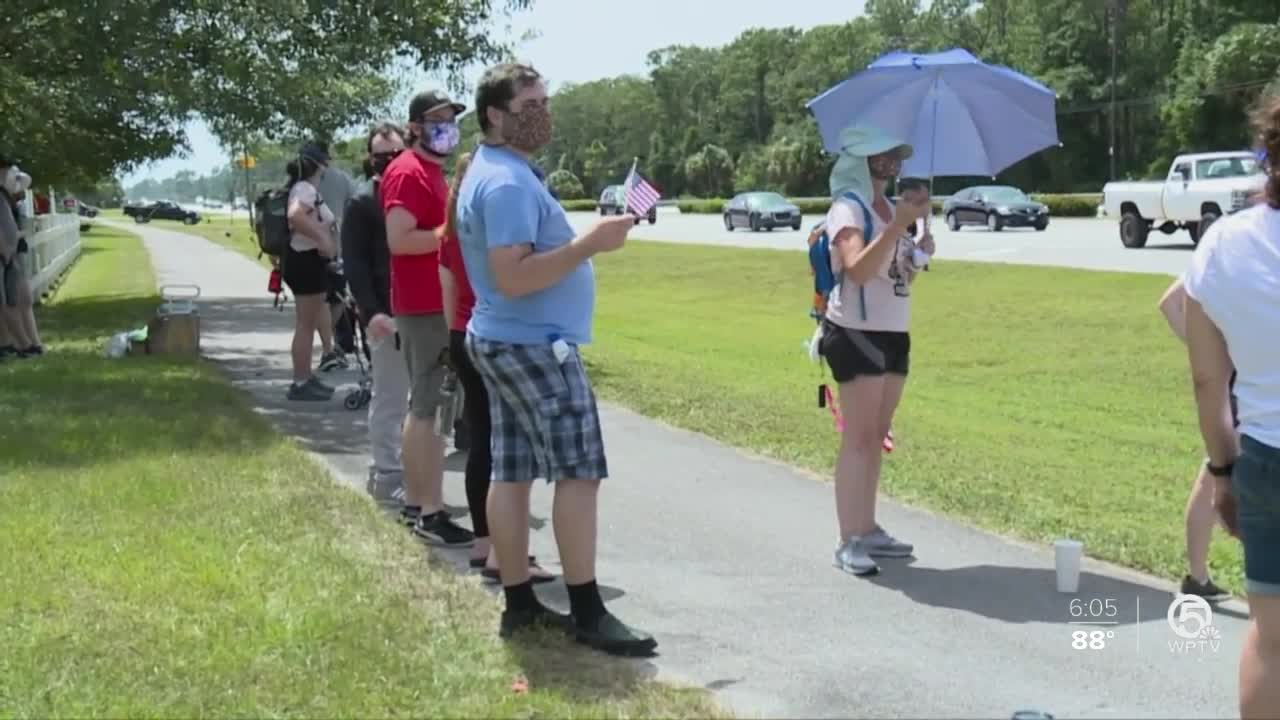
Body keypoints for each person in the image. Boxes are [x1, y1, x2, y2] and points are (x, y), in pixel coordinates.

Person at [456, 62, 655, 655]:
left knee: (511, 470)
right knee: (578, 471)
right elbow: (513, 276)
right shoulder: (509, 182)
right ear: (495, 113)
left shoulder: (497, 169)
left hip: (501, 337)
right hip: (534, 344)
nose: (543, 111)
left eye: (545, 100)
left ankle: (520, 605)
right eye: (530, 103)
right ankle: (588, 608)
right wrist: (589, 243)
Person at [1183, 93, 1280, 720]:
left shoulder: (1223, 244)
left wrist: (1222, 473)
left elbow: (1206, 382)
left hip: (1266, 460)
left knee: (1271, 641)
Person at [817, 123, 932, 577]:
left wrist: (918, 248)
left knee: (877, 434)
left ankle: (868, 528)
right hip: (855, 331)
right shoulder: (848, 209)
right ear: (861, 160)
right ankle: (849, 539)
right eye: (882, 156)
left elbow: (897, 275)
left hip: (893, 331)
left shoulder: (888, 209)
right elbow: (858, 270)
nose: (892, 164)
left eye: (897, 156)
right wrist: (897, 227)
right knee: (859, 438)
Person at [440, 150, 555, 583]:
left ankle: (483, 543)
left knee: (480, 441)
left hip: (460, 332)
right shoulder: (495, 228)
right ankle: (506, 555)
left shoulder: (451, 232)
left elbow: (447, 286)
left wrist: (452, 338)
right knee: (510, 449)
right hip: (497, 333)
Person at [381, 90, 476, 547]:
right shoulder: (406, 173)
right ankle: (430, 511)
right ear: (415, 126)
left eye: (451, 119)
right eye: (437, 120)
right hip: (424, 305)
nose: (447, 127)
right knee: (431, 409)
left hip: (433, 302)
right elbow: (399, 239)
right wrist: (450, 232)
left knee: (426, 405)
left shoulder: (432, 172)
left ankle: (417, 504)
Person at [342, 122, 410, 503]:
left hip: (423, 314)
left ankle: (417, 472)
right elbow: (355, 263)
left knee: (426, 402)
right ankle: (387, 473)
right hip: (384, 314)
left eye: (396, 153)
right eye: (381, 155)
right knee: (390, 398)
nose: (388, 161)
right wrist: (371, 313)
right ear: (370, 158)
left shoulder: (413, 194)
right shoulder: (362, 202)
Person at [1157, 277, 1232, 600]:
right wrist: (1211, 354)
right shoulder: (1240, 249)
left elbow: (1170, 303)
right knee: (1215, 474)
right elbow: (1170, 303)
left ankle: (1198, 578)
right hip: (1250, 386)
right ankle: (1197, 577)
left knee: (1215, 473)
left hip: (1250, 381)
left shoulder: (1235, 249)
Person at [282, 142, 341, 401]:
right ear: (319, 165)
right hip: (304, 262)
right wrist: (322, 238)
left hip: (307, 262)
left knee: (309, 321)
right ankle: (300, 381)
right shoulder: (305, 189)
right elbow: (296, 216)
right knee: (305, 325)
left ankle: (305, 376)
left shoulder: (304, 188)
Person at [0, 158, 39, 358]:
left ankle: (24, 343)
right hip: (8, 254)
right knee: (10, 302)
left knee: (17, 301)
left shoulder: (11, 201)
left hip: (12, 252)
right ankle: (23, 345)